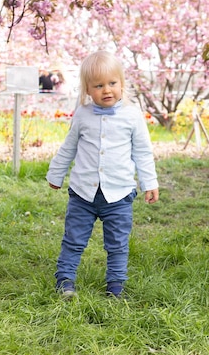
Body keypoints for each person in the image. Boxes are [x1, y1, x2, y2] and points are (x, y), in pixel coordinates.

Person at [46, 50, 160, 299]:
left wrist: (149, 182)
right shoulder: (83, 114)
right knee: (73, 240)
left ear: (122, 83)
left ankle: (116, 286)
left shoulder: (132, 115)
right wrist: (56, 174)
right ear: (87, 89)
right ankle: (65, 281)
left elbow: (142, 151)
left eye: (112, 83)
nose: (107, 90)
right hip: (83, 194)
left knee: (117, 244)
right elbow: (69, 146)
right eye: (99, 86)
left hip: (119, 195)